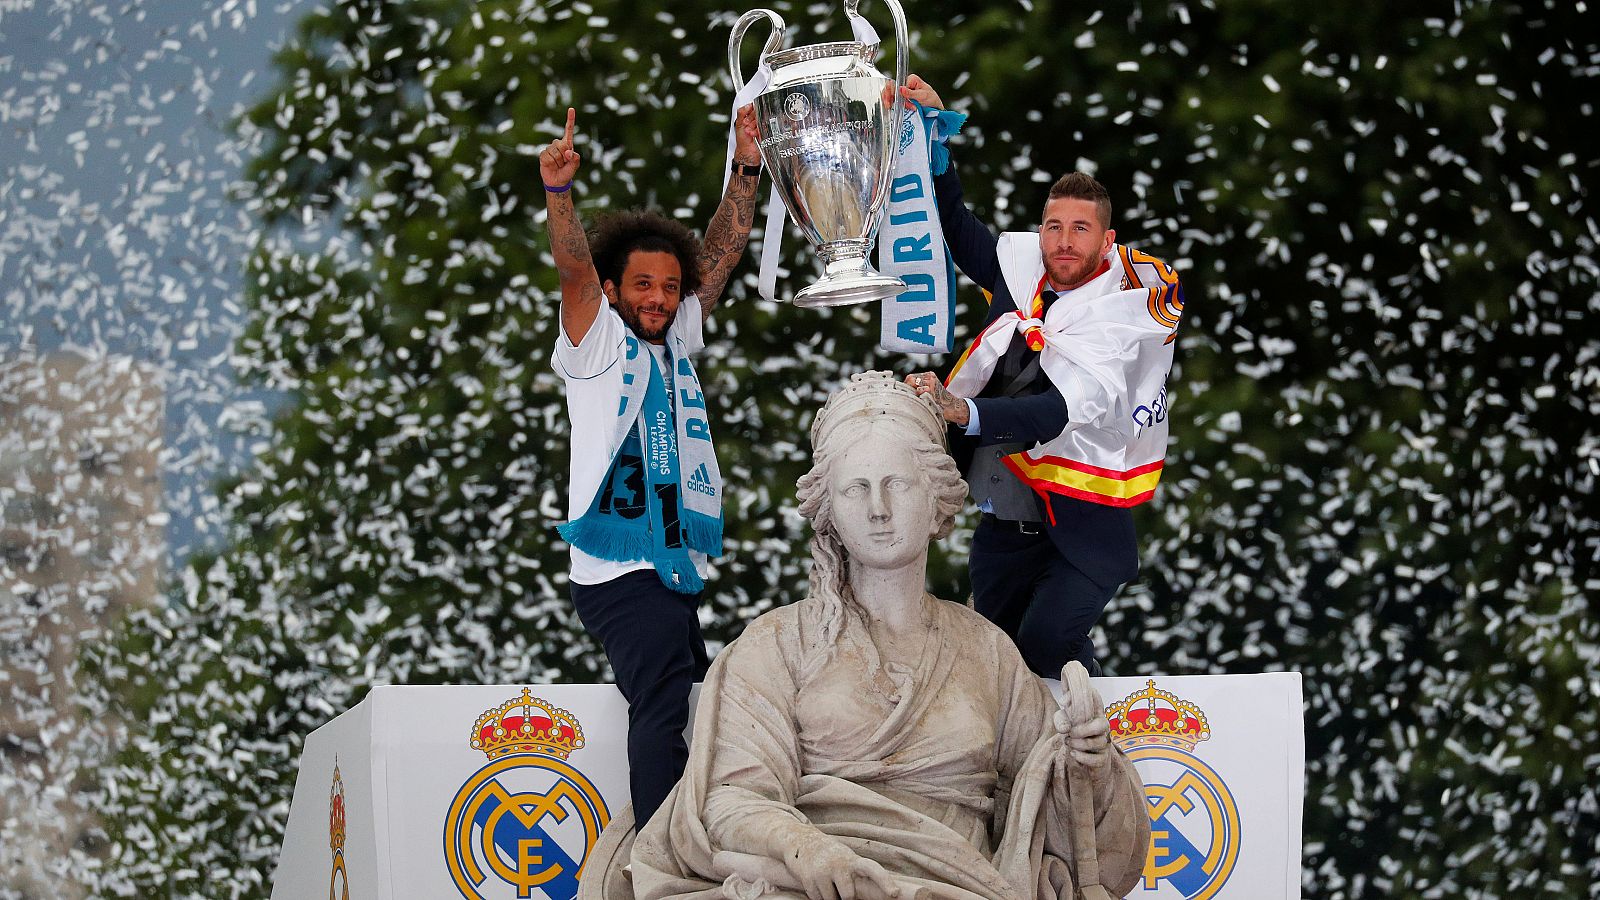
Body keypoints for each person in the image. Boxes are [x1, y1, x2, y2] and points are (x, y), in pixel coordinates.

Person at [628, 372, 1150, 900]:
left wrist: (1087, 764)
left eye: (896, 483)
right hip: (816, 886)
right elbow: (730, 800)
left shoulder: (987, 649)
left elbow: (1055, 814)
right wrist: (806, 849)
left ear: (936, 496)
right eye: (856, 488)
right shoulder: (777, 643)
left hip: (957, 885)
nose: (878, 509)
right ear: (829, 509)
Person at [901, 75, 1185, 680]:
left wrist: (962, 410)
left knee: (1044, 650)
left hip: (1082, 534)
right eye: (1053, 226)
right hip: (1003, 528)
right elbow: (952, 223)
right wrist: (932, 135)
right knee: (992, 672)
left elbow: (1053, 413)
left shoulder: (1121, 315)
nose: (1063, 241)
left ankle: (1093, 732)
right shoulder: (1021, 276)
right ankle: (1075, 733)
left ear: (1107, 241)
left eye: (1081, 229)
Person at [541, 104, 762, 831]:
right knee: (665, 703)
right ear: (613, 291)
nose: (660, 299)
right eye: (642, 285)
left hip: (670, 566)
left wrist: (746, 163)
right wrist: (559, 192)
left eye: (669, 287)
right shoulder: (596, 340)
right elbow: (573, 265)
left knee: (701, 702)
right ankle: (659, 858)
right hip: (618, 569)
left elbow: (722, 252)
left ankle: (691, 833)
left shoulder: (677, 337)